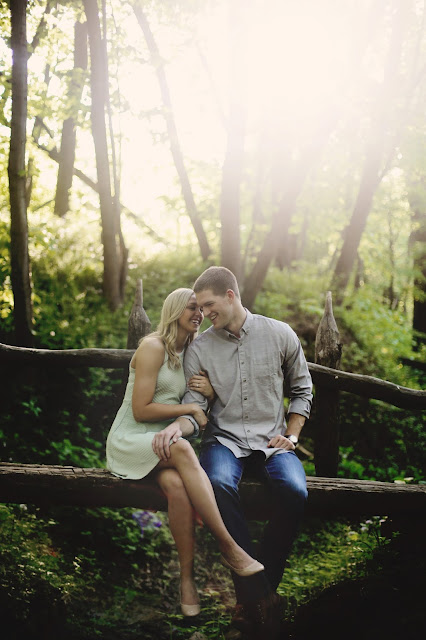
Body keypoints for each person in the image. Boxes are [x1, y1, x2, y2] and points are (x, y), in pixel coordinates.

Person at [159, 268, 313, 639]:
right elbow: (195, 409)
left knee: (296, 492)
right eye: (200, 307)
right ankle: (258, 598)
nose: (205, 313)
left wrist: (291, 436)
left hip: (273, 442)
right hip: (224, 440)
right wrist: (176, 427)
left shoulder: (280, 334)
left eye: (210, 305)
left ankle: (256, 595)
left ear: (231, 295)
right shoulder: (200, 348)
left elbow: (302, 390)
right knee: (216, 483)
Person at [106, 288, 264, 618]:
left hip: (163, 442)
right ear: (175, 310)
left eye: (202, 308)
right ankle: (228, 545)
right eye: (192, 307)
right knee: (181, 448)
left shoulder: (191, 350)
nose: (199, 313)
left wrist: (205, 396)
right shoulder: (152, 347)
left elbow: (203, 406)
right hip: (131, 438)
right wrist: (191, 406)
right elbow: (140, 410)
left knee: (178, 487)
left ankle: (187, 581)